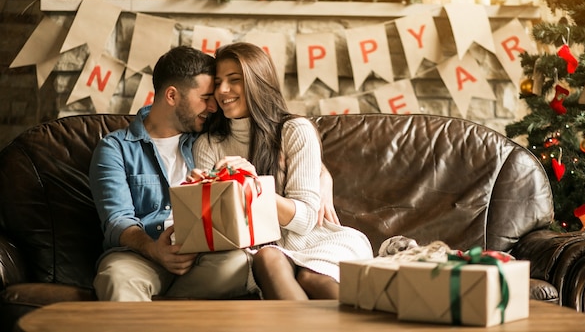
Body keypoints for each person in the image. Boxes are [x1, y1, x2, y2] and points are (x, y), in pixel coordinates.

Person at [192, 42, 373, 300]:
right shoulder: (208, 145)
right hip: (262, 248)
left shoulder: (295, 131)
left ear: (258, 82)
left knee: (313, 277)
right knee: (267, 258)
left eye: (234, 80)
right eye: (218, 82)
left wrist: (252, 184)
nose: (222, 90)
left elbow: (306, 220)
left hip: (317, 240)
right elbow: (212, 224)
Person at [89, 45, 253, 301]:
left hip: (202, 258)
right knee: (115, 277)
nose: (213, 106)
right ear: (172, 95)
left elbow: (271, 133)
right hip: (141, 256)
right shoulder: (115, 148)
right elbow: (117, 220)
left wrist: (322, 174)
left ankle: (161, 310)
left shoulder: (210, 140)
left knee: (240, 264)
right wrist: (154, 250)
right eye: (205, 97)